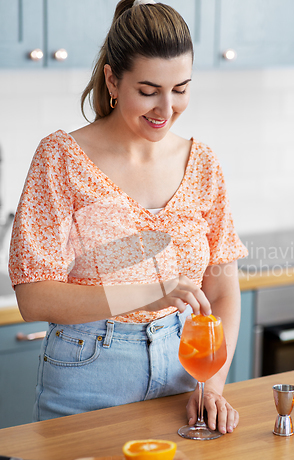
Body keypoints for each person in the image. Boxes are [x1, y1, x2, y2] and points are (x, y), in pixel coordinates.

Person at [8, 0, 247, 434]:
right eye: (149, 89)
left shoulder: (203, 163)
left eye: (180, 89)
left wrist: (212, 385)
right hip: (89, 371)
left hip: (184, 370)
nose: (165, 109)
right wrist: (149, 293)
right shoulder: (61, 158)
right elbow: (34, 297)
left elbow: (224, 290)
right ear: (113, 80)